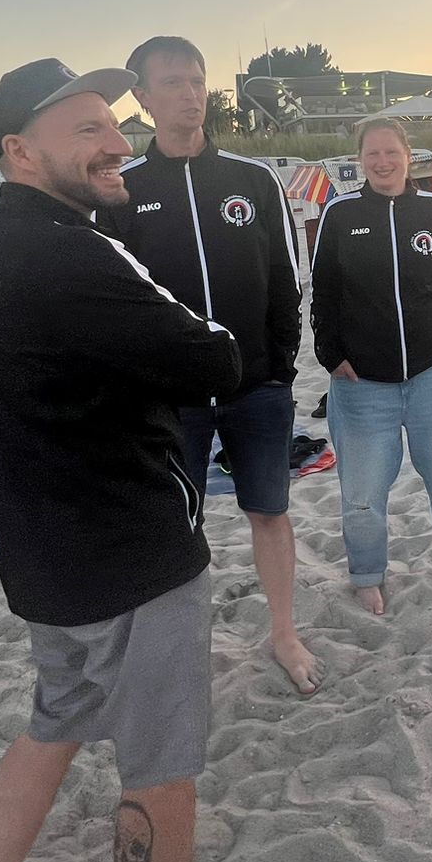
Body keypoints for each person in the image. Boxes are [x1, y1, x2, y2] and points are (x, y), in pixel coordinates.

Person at [0, 59, 248, 862]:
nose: (116, 143)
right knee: (160, 766)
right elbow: (214, 359)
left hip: (41, 553)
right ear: (20, 152)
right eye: (87, 131)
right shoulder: (69, 253)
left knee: (53, 725)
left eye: (114, 123)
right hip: (130, 554)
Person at [106, 35, 319, 695]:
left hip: (256, 388)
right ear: (143, 97)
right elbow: (112, 303)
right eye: (172, 82)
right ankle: (178, 653)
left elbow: (286, 281)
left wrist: (278, 369)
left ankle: (283, 632)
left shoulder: (252, 181)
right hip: (171, 403)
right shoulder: (122, 191)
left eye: (197, 81)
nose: (190, 94)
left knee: (269, 512)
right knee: (174, 529)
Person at [308, 116, 432, 614]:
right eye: (373, 154)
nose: (382, 162)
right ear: (359, 160)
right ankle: (367, 573)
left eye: (391, 152)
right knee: (362, 491)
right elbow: (323, 292)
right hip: (362, 385)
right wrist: (330, 354)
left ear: (409, 156)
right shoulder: (340, 213)